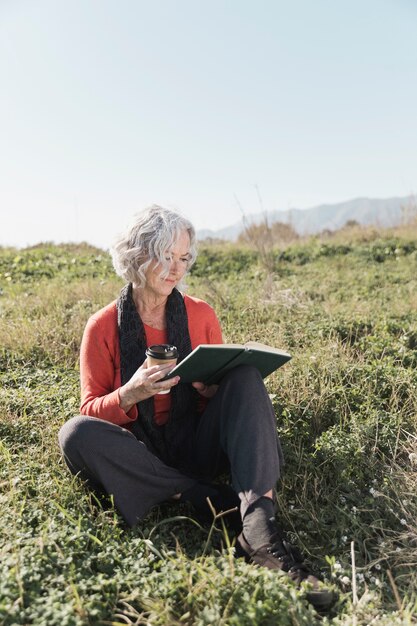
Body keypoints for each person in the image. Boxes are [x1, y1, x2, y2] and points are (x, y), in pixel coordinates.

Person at [58, 205, 335, 611]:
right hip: (143, 450)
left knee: (245, 378)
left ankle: (258, 526)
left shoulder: (199, 313)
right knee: (75, 434)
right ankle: (202, 497)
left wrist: (211, 391)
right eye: (165, 256)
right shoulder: (102, 326)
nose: (176, 269)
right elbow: (90, 409)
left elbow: (219, 387)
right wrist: (131, 393)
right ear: (137, 256)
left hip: (198, 440)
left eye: (183, 258)